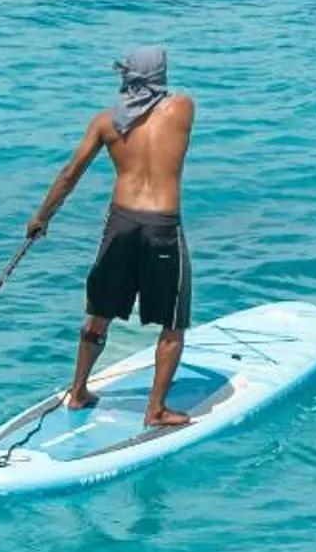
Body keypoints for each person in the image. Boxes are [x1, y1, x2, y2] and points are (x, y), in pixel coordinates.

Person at [26, 47, 198, 427]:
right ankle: (154, 410)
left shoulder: (105, 123)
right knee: (173, 324)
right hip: (162, 227)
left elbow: (70, 173)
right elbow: (165, 97)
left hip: (120, 224)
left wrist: (42, 217)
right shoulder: (182, 108)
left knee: (98, 313)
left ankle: (79, 391)